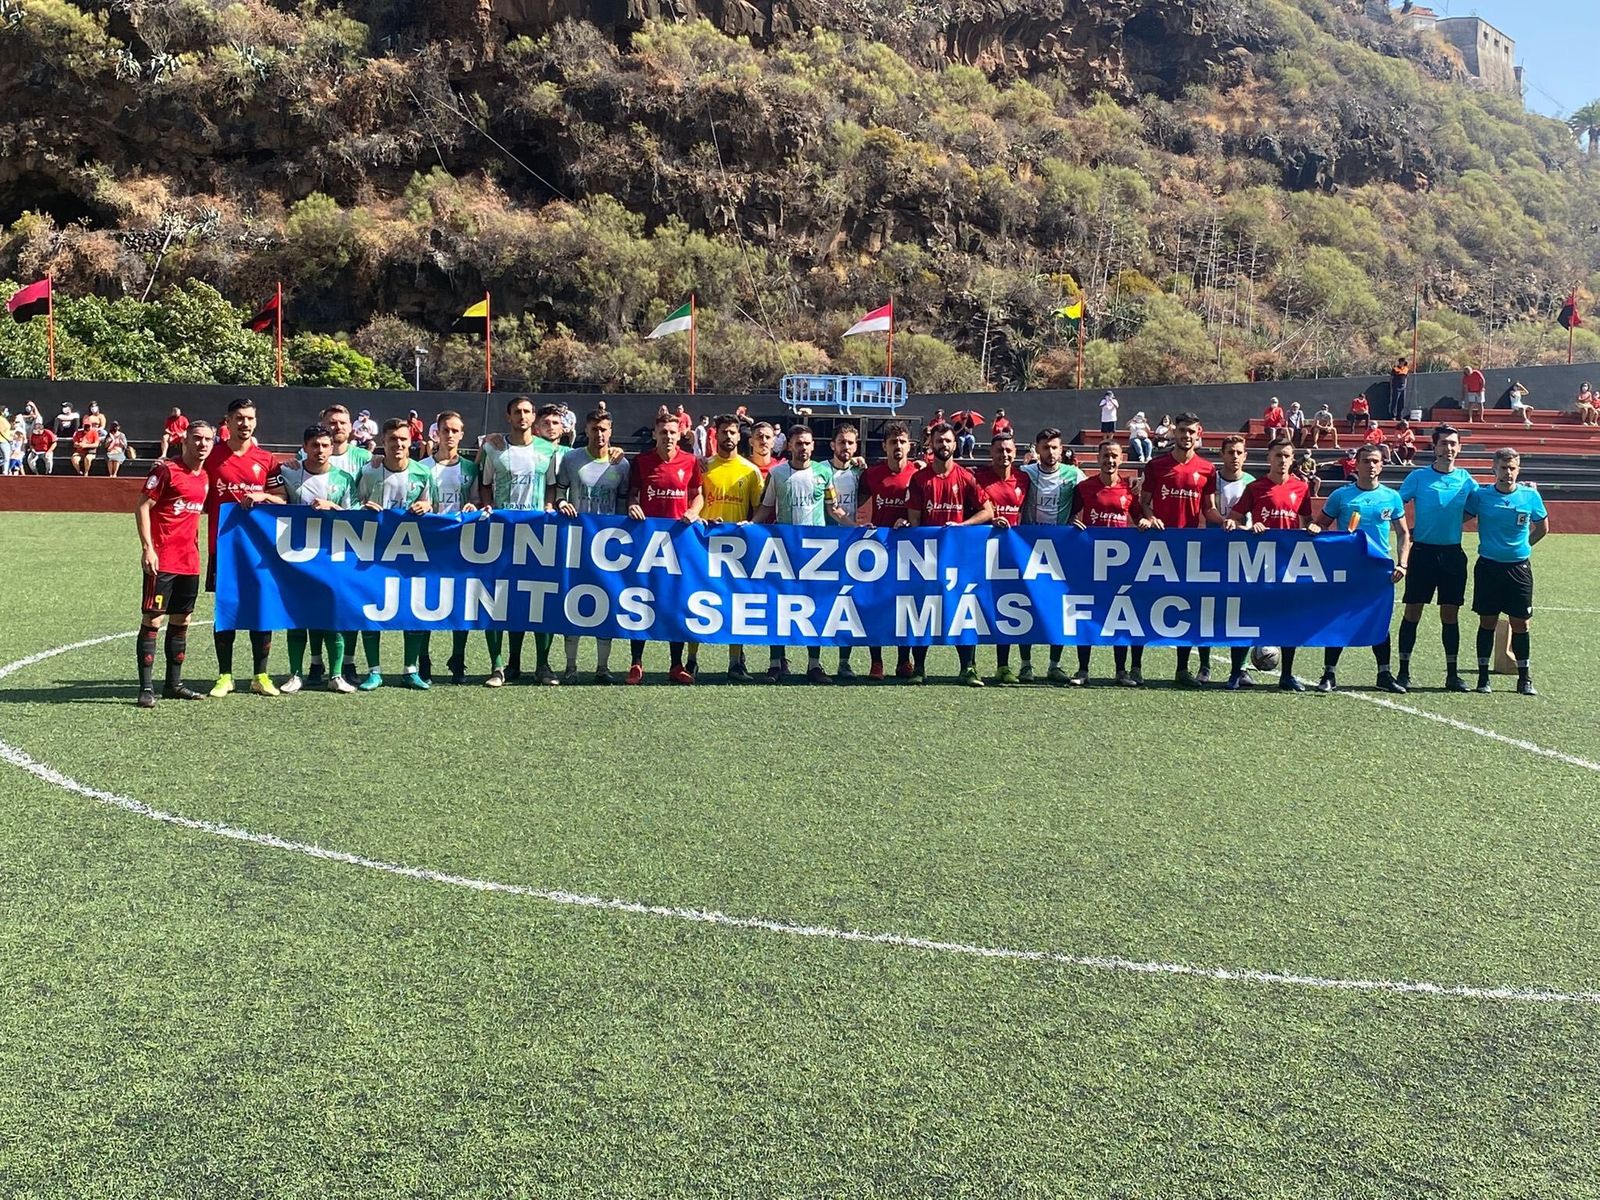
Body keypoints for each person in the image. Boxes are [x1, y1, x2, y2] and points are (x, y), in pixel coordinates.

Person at [204, 397, 286, 698]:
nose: (245, 423)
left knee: (261, 609)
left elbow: (282, 499)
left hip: (259, 551)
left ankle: (260, 675)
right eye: (239, 418)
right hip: (223, 548)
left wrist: (264, 497)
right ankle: (225, 675)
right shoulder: (212, 458)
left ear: (256, 421)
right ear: (227, 421)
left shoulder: (266, 459)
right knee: (225, 610)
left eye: (250, 418)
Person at [1224, 438, 1321, 690]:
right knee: (1248, 615)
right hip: (1256, 563)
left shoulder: (1300, 488)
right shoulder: (1256, 488)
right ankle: (1235, 673)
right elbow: (1233, 521)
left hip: (1287, 564)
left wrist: (1311, 526)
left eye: (1287, 456)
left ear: (1292, 459)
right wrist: (1248, 526)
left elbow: (1308, 520)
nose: (1282, 460)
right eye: (1278, 455)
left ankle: (1287, 675)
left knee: (1288, 617)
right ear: (1269, 458)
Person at [132, 420, 215, 708]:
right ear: (184, 440)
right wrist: (148, 549)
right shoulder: (166, 470)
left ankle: (173, 684)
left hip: (189, 562)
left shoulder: (204, 477)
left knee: (182, 621)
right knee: (153, 620)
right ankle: (146, 688)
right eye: (197, 438)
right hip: (163, 560)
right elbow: (142, 505)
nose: (202, 444)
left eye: (208, 439)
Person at [905, 422, 995, 686]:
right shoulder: (920, 479)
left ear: (955, 444)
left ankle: (968, 668)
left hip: (959, 556)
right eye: (938, 440)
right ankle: (919, 668)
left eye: (947, 440)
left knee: (962, 608)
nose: (943, 445)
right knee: (924, 610)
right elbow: (914, 521)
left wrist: (962, 526)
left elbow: (987, 511)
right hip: (927, 556)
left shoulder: (965, 477)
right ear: (931, 445)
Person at [1315, 445, 1409, 694]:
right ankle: (1329, 674)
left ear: (1381, 465)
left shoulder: (1391, 497)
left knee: (1380, 620)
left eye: (1375, 461)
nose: (1370, 465)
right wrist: (1321, 537)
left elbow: (1403, 533)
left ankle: (1384, 673)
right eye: (1366, 461)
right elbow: (1320, 525)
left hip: (1379, 570)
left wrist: (1402, 563)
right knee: (1339, 618)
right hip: (1348, 568)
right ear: (1356, 465)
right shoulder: (1341, 496)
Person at [354, 418, 439, 691]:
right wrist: (362, 508)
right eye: (393, 439)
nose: (398, 444)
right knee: (372, 609)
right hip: (374, 553)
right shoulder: (369, 472)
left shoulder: (422, 473)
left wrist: (426, 507)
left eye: (403, 439)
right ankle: (374, 671)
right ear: (384, 442)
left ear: (410, 442)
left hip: (410, 553)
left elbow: (434, 507)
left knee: (412, 608)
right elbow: (353, 505)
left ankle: (410, 670)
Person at [1139, 412, 1222, 686]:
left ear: (1199, 433)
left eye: (1191, 431)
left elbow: (1208, 509)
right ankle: (1134, 667)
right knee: (1141, 601)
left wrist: (1227, 523)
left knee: (1187, 606)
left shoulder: (1208, 470)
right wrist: (1150, 518)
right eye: (1182, 430)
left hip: (1189, 547)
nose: (1186, 436)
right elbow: (1145, 502)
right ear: (1174, 432)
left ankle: (1182, 669)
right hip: (1157, 545)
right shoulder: (1156, 465)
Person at [754, 425, 841, 684]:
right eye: (798, 443)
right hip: (784, 550)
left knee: (814, 607)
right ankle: (775, 663)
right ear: (789, 445)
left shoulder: (824, 472)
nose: (803, 448)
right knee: (779, 606)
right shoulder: (777, 473)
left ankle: (814, 664)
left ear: (813, 446)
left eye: (807, 443)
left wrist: (856, 529)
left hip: (816, 553)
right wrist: (750, 524)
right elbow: (766, 507)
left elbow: (834, 509)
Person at [277, 425, 360, 695]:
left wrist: (332, 506)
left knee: (333, 615)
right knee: (298, 616)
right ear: (305, 447)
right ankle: (295, 674)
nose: (320, 450)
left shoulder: (344, 478)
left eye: (325, 445)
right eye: (315, 445)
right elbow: (277, 502)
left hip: (333, 556)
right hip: (297, 557)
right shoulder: (289, 473)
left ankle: (335, 675)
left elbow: (356, 515)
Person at [551, 408, 631, 684]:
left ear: (611, 431)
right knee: (572, 603)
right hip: (576, 542)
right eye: (595, 429)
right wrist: (562, 503)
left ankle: (602, 667)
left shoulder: (621, 464)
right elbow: (560, 491)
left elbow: (624, 503)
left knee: (605, 603)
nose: (599, 434)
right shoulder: (572, 459)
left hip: (608, 546)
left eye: (604, 429)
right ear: (586, 430)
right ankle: (570, 666)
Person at [1395, 424, 1476, 692]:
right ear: (1435, 447)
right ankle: (1403, 671)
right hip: (1422, 553)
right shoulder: (1418, 477)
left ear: (1459, 448)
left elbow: (1481, 504)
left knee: (1450, 615)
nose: (1449, 448)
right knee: (1412, 611)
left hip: (1452, 554)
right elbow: (1396, 506)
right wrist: (1409, 532)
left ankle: (1452, 675)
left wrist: (1453, 521)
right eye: (1444, 443)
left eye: (1453, 444)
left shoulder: (1466, 479)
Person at [626, 410, 703, 684]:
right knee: (641, 598)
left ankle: (676, 664)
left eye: (672, 432)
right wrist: (633, 505)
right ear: (655, 433)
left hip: (679, 541)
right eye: (663, 432)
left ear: (680, 433)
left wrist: (694, 511)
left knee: (676, 600)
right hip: (647, 541)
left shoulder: (691, 461)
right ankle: (636, 663)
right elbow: (633, 493)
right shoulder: (642, 461)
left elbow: (697, 496)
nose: (668, 436)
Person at [477, 396, 549, 687]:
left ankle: (542, 665)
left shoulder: (550, 450)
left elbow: (555, 487)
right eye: (517, 411)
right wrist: (490, 509)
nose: (522, 416)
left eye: (527, 411)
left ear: (534, 417)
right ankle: (498, 666)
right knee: (497, 598)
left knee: (540, 598)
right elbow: (483, 486)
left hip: (538, 534)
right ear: (508, 416)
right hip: (503, 533)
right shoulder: (494, 448)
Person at [1465, 449, 1548, 695]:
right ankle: (1482, 679)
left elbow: (1543, 527)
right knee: (1487, 621)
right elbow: (1459, 518)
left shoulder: (1530, 496)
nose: (1508, 473)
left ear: (1518, 470)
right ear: (1494, 469)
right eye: (1503, 468)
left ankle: (1524, 679)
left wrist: (1523, 547)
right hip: (1489, 566)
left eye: (1512, 468)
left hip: (1518, 568)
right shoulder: (1480, 496)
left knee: (1520, 623)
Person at [301, 403, 373, 686]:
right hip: (311, 543)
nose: (337, 427)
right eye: (332, 422)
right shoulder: (303, 457)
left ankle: (349, 662)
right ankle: (316, 661)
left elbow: (363, 498)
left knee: (348, 604)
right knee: (313, 604)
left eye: (342, 422)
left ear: (351, 425)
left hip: (348, 542)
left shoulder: (364, 458)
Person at [692, 413, 766, 682]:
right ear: (716, 434)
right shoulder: (703, 467)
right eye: (724, 432)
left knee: (736, 603)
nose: (729, 437)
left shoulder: (750, 470)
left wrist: (749, 525)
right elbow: (694, 501)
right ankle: (691, 661)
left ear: (739, 436)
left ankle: (736, 663)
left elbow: (759, 510)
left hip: (737, 548)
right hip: (704, 545)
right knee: (698, 600)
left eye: (733, 432)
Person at [1069, 440, 1142, 687]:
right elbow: (1069, 515)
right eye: (1105, 456)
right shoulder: (1085, 488)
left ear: (1121, 459)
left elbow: (1141, 516)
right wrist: (1072, 524)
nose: (1109, 461)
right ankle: (1082, 670)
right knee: (1086, 613)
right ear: (1098, 458)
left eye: (1114, 456)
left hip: (1120, 565)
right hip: (1091, 560)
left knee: (1120, 615)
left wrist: (1144, 523)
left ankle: (1121, 671)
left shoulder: (1128, 490)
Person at [1017, 427, 1086, 683]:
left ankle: (1054, 664)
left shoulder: (1074, 474)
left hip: (1060, 550)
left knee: (1059, 606)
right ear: (1037, 449)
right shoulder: (1027, 473)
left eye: (1055, 447)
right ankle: (1025, 664)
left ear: (1062, 448)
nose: (1051, 452)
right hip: (1028, 549)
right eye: (1046, 447)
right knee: (1026, 604)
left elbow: (1097, 493)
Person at [418, 409, 480, 685]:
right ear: (437, 433)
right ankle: (423, 658)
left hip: (462, 543)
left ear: (462, 434)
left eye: (456, 430)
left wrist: (473, 506)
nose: (451, 435)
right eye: (446, 430)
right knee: (425, 601)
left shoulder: (469, 468)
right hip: (429, 543)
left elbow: (479, 500)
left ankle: (458, 657)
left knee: (461, 601)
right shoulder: (422, 467)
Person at [858, 421, 920, 681]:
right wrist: (863, 525)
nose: (898, 446)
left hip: (908, 550)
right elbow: (859, 504)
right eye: (893, 442)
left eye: (902, 442)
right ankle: (876, 662)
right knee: (877, 606)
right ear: (884, 446)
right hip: (878, 549)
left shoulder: (918, 473)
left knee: (905, 606)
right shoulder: (871, 474)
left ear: (910, 446)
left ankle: (904, 660)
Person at [973, 430, 1028, 684]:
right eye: (999, 450)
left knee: (1008, 606)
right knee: (974, 605)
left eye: (1008, 450)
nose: (1004, 455)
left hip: (1010, 554)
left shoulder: (1024, 479)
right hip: (979, 551)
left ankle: (1003, 665)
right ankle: (970, 665)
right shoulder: (978, 478)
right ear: (990, 453)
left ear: (1015, 453)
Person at [818, 424, 867, 679]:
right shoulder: (822, 470)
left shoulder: (859, 471)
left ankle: (844, 661)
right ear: (832, 445)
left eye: (850, 442)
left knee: (848, 603)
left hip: (850, 545)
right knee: (818, 602)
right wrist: (855, 526)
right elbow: (832, 509)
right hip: (825, 544)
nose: (845, 447)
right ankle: (813, 662)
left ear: (856, 445)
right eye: (841, 442)